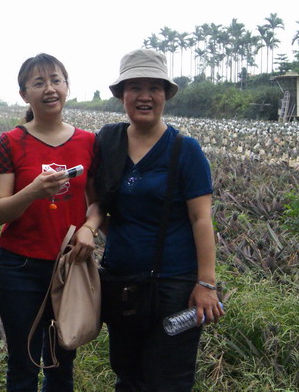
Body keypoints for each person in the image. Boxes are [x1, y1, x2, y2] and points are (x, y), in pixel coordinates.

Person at [96, 49, 224, 391]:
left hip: (174, 289)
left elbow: (201, 219)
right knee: (128, 376)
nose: (145, 96)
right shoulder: (108, 143)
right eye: (135, 87)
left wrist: (206, 284)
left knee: (169, 380)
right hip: (122, 284)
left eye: (154, 87)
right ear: (122, 95)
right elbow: (96, 204)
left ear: (165, 94)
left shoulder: (185, 150)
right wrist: (121, 237)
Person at [0, 53, 99, 391]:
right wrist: (33, 191)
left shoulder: (89, 142)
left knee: (62, 362)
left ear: (67, 87)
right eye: (38, 83)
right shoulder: (10, 142)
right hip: (21, 268)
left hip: (69, 266)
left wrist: (89, 227)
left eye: (56, 80)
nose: (49, 89)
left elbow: (99, 203)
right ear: (24, 94)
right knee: (23, 364)